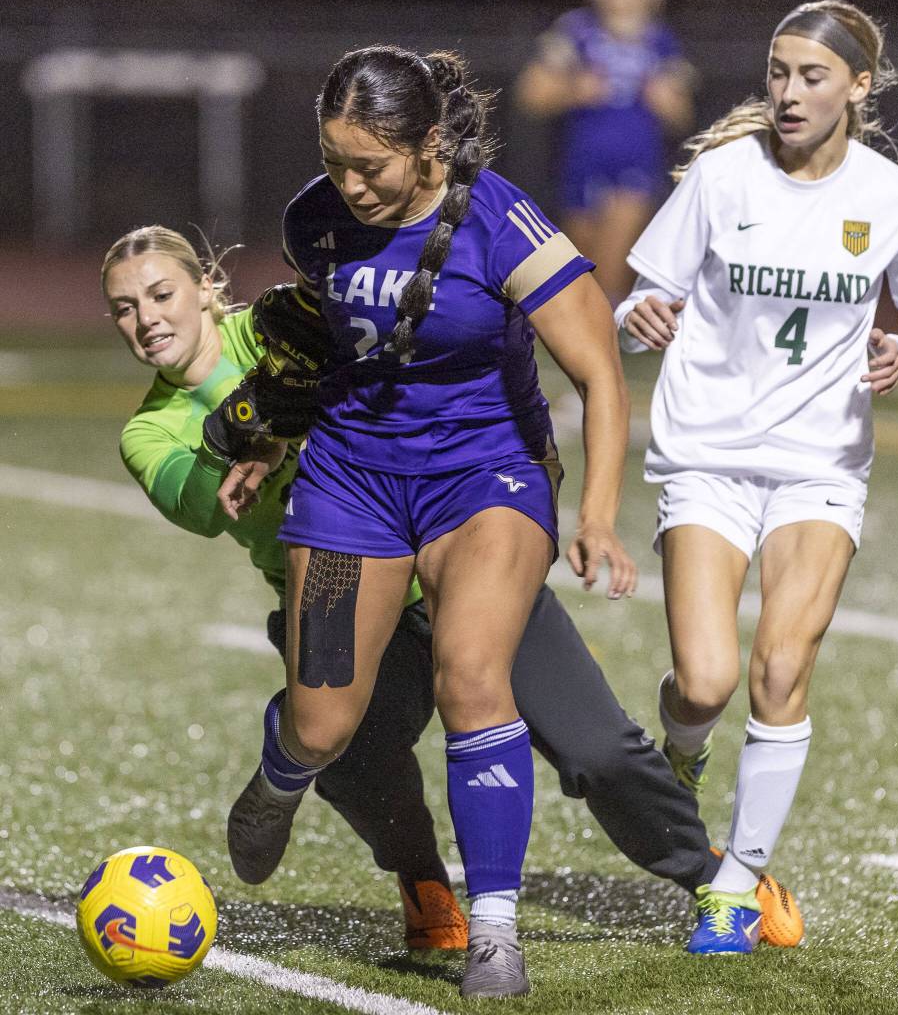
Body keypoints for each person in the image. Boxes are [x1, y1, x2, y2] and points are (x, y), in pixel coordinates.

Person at [102, 227, 804, 986]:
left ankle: (714, 875)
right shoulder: (147, 431)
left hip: (464, 552)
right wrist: (247, 423)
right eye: (124, 309)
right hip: (347, 596)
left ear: (207, 286)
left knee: (597, 748)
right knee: (340, 744)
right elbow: (205, 505)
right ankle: (423, 881)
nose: (146, 319)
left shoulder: (288, 321)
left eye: (161, 294)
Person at [615, 0, 898, 957]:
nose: (788, 92)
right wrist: (640, 312)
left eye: (812, 76)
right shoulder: (723, 176)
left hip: (819, 464)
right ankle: (678, 760)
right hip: (708, 457)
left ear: (857, 86)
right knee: (706, 679)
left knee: (779, 667)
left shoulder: (891, 195)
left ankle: (735, 883)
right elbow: (641, 293)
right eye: (777, 72)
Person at [515, 0, 695, 306]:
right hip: (580, 165)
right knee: (580, 268)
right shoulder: (574, 31)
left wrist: (665, 99)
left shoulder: (661, 41)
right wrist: (573, 90)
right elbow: (531, 95)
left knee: (612, 267)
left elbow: (682, 113)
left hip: (634, 166)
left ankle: (608, 334)